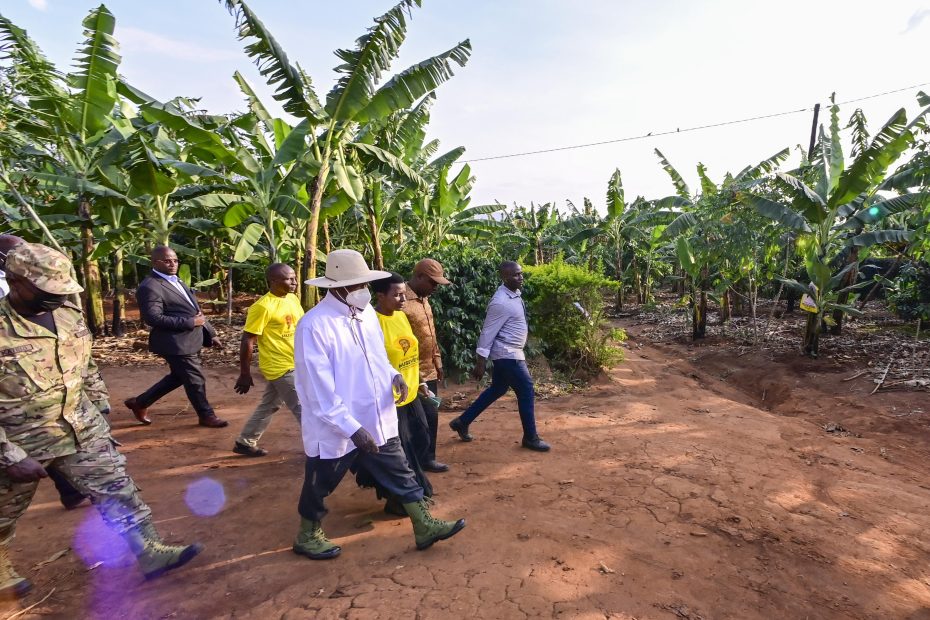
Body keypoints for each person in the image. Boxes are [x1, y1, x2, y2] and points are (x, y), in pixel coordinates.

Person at [0, 243, 202, 597]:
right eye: (47, 290)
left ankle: (150, 551)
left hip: (80, 427)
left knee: (118, 489)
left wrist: (101, 407)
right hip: (16, 439)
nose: (56, 297)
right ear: (15, 282)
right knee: (4, 511)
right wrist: (8, 454)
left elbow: (87, 365)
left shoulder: (67, 315)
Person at [292, 249, 464, 560]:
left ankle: (424, 525)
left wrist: (394, 374)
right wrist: (351, 428)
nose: (364, 291)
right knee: (321, 480)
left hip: (377, 415)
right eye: (358, 285)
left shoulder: (366, 314)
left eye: (365, 284)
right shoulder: (314, 326)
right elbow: (316, 389)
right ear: (337, 287)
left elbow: (377, 358)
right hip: (337, 425)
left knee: (400, 469)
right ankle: (307, 533)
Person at [0, 234, 90, 511]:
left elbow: (85, 360)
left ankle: (71, 492)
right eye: (19, 252)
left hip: (58, 408)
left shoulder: (64, 309)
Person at [449, 261, 551, 452]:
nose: (520, 277)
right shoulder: (500, 302)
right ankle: (531, 437)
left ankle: (462, 421)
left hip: (511, 352)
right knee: (527, 389)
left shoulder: (513, 294)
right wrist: (481, 361)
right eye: (515, 275)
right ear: (504, 277)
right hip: (507, 354)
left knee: (498, 389)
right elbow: (487, 332)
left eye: (520, 274)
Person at [125, 246, 227, 428]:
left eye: (175, 260)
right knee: (195, 379)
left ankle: (140, 403)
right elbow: (153, 318)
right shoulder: (150, 286)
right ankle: (206, 415)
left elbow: (194, 310)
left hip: (190, 340)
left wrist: (211, 333)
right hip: (174, 342)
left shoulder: (177, 281)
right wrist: (189, 323)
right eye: (167, 260)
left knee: (179, 377)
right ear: (155, 262)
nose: (172, 264)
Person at [365, 273, 433, 515]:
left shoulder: (401, 316)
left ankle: (412, 491)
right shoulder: (370, 324)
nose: (403, 299)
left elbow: (408, 356)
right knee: (401, 448)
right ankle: (399, 499)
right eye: (396, 295)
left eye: (404, 293)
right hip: (389, 400)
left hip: (412, 392)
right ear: (380, 296)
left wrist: (421, 381)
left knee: (421, 438)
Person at [231, 263, 303, 457]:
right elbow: (248, 339)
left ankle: (245, 441)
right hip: (280, 366)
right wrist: (244, 373)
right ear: (273, 281)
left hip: (295, 362)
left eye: (294, 277)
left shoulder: (293, 299)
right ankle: (321, 449)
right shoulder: (263, 306)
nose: (294, 282)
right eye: (289, 279)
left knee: (270, 404)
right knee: (304, 408)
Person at [404, 259, 451, 473]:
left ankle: (428, 458)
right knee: (413, 421)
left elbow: (431, 334)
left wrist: (438, 361)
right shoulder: (400, 300)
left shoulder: (425, 299)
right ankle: (410, 462)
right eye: (433, 283)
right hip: (408, 373)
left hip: (429, 371)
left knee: (432, 415)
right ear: (420, 276)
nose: (435, 288)